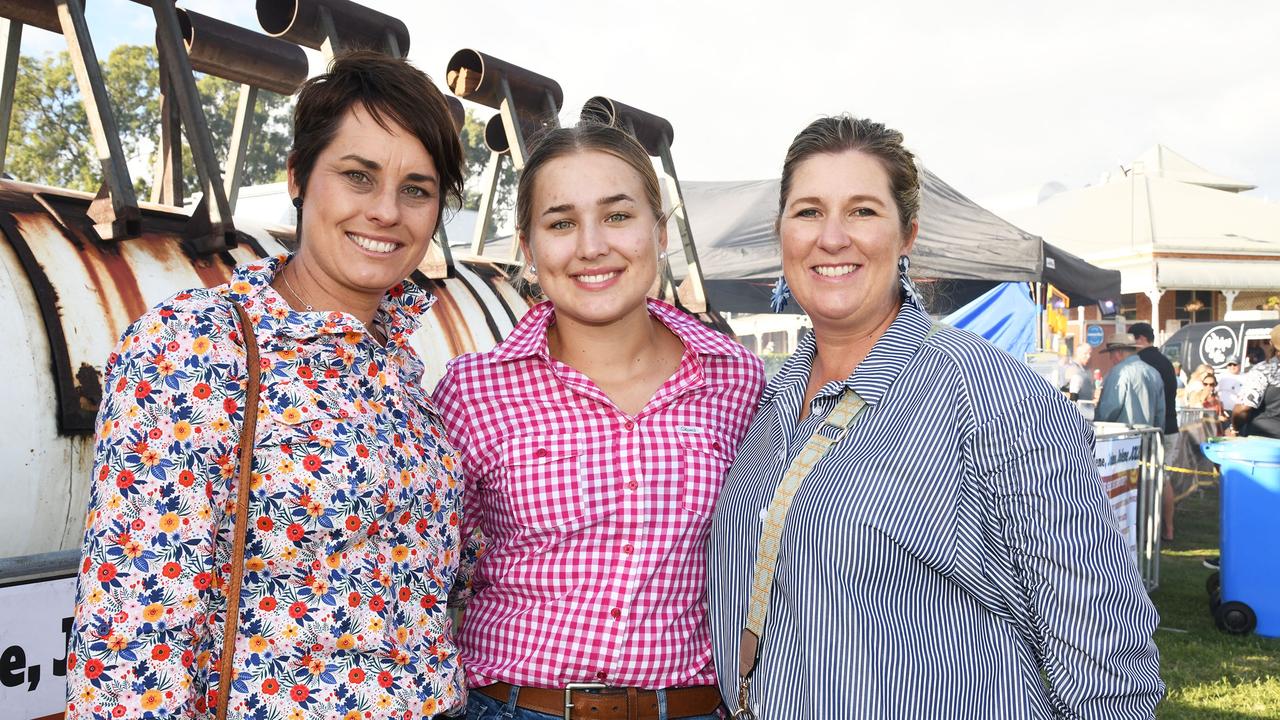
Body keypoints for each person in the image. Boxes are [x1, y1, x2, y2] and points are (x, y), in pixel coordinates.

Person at [706, 115, 1162, 719]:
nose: (833, 236)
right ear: (780, 232)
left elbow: (1103, 644)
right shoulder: (772, 396)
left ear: (908, 234)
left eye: (864, 211)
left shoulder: (990, 392)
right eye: (809, 211)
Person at [65, 52, 468, 719]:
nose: (387, 211)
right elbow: (133, 630)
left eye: (417, 189)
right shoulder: (200, 346)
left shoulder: (399, 369)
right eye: (358, 176)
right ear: (298, 178)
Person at [432, 123, 764, 720]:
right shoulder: (474, 390)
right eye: (561, 223)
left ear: (659, 233)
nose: (591, 246)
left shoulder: (737, 381)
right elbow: (431, 572)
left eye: (617, 216)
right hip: (516, 707)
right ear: (529, 250)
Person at [1096, 341, 1166, 428]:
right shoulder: (1154, 372)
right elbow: (1160, 412)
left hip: (1122, 437)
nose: (1110, 359)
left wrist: (1096, 423)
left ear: (1119, 353)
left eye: (1111, 354)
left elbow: (1109, 409)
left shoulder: (1119, 372)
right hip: (1148, 436)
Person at [1231, 324, 1280, 439]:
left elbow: (1243, 409)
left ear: (1271, 344)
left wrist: (1234, 428)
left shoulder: (1264, 370)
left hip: (1264, 440)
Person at [1128, 322, 1177, 434]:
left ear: (1141, 338)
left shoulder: (1139, 364)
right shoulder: (1166, 361)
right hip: (1171, 425)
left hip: (1150, 430)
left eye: (1130, 340)